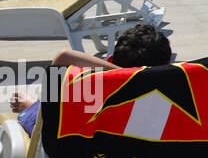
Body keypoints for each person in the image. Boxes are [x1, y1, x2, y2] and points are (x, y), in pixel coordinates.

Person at [6, 23, 173, 134]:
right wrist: (142, 77)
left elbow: (63, 56)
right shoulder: (174, 89)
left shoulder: (94, 87)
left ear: (112, 59)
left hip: (76, 153)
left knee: (51, 104)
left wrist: (121, 74)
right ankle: (32, 106)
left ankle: (30, 106)